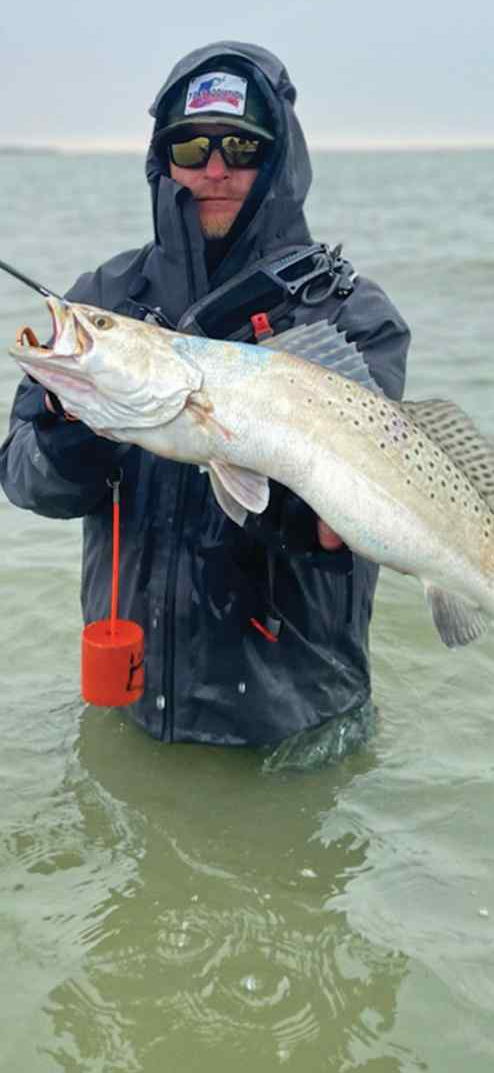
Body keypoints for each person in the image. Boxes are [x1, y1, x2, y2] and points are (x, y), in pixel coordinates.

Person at [0, 41, 410, 763]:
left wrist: (306, 518)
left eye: (242, 148)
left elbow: (363, 508)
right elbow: (24, 478)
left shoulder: (351, 315)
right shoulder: (107, 297)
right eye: (191, 147)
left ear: (278, 161)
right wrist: (74, 427)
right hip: (131, 708)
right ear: (163, 162)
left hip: (297, 728)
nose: (215, 170)